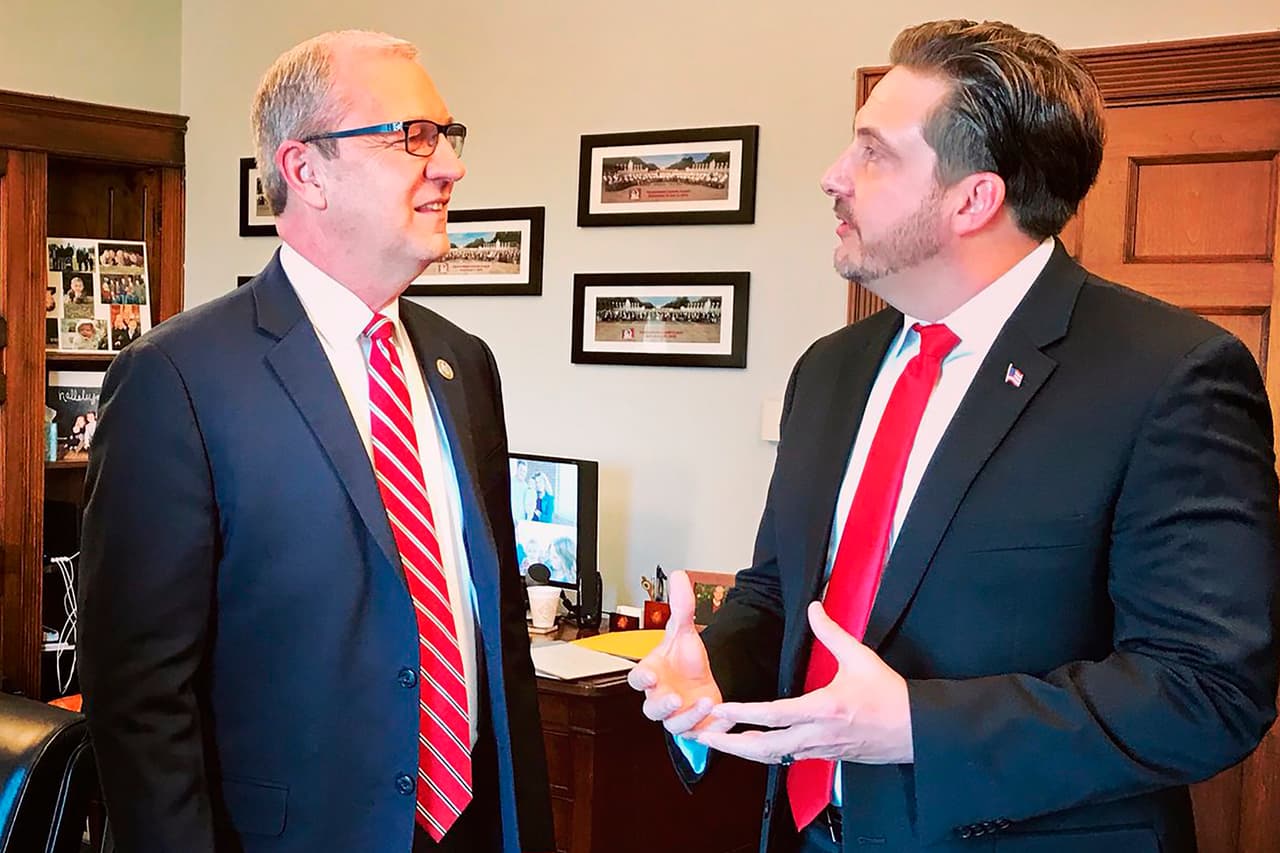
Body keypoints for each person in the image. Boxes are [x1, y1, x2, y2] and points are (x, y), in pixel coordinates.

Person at [629, 19, 1279, 853]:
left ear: (974, 198)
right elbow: (780, 593)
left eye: (872, 152)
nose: (834, 175)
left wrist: (916, 726)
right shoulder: (829, 370)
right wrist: (712, 667)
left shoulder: (1170, 374)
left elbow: (1207, 690)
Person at [79, 29, 553, 853]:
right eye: (415, 136)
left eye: (448, 136)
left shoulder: (463, 365)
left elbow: (494, 629)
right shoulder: (178, 378)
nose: (449, 166)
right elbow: (141, 703)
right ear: (306, 171)